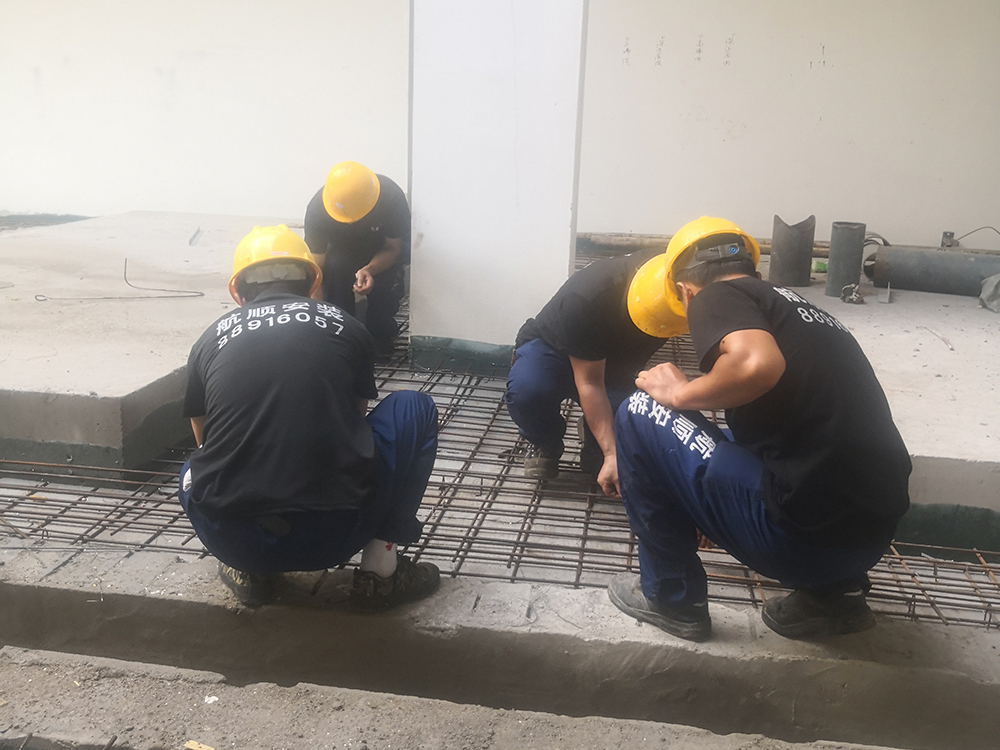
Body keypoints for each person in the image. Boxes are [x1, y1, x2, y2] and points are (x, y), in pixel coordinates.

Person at [607, 216, 911, 641]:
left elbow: (756, 364)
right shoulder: (802, 310)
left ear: (685, 291)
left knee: (640, 410)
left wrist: (679, 393)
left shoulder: (715, 294)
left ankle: (671, 597)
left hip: (799, 543)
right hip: (869, 540)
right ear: (755, 271)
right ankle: (832, 600)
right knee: (734, 440)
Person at [179, 225, 440, 610]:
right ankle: (380, 573)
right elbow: (355, 421)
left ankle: (248, 571)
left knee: (191, 467)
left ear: (238, 292)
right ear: (312, 283)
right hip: (335, 536)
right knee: (413, 408)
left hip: (232, 539)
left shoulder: (209, 339)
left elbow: (204, 438)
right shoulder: (346, 327)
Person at [503, 246, 689, 497]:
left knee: (632, 415)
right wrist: (612, 454)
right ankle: (545, 441)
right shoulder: (588, 298)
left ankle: (594, 437)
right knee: (529, 391)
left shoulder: (676, 279)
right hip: (553, 349)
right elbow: (590, 383)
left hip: (614, 359)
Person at [304, 161, 410, 354]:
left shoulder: (391, 198)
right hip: (343, 251)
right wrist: (318, 316)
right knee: (334, 271)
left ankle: (380, 338)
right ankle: (341, 337)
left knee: (385, 288)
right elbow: (316, 270)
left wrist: (369, 270)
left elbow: (392, 248)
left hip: (382, 248)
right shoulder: (318, 210)